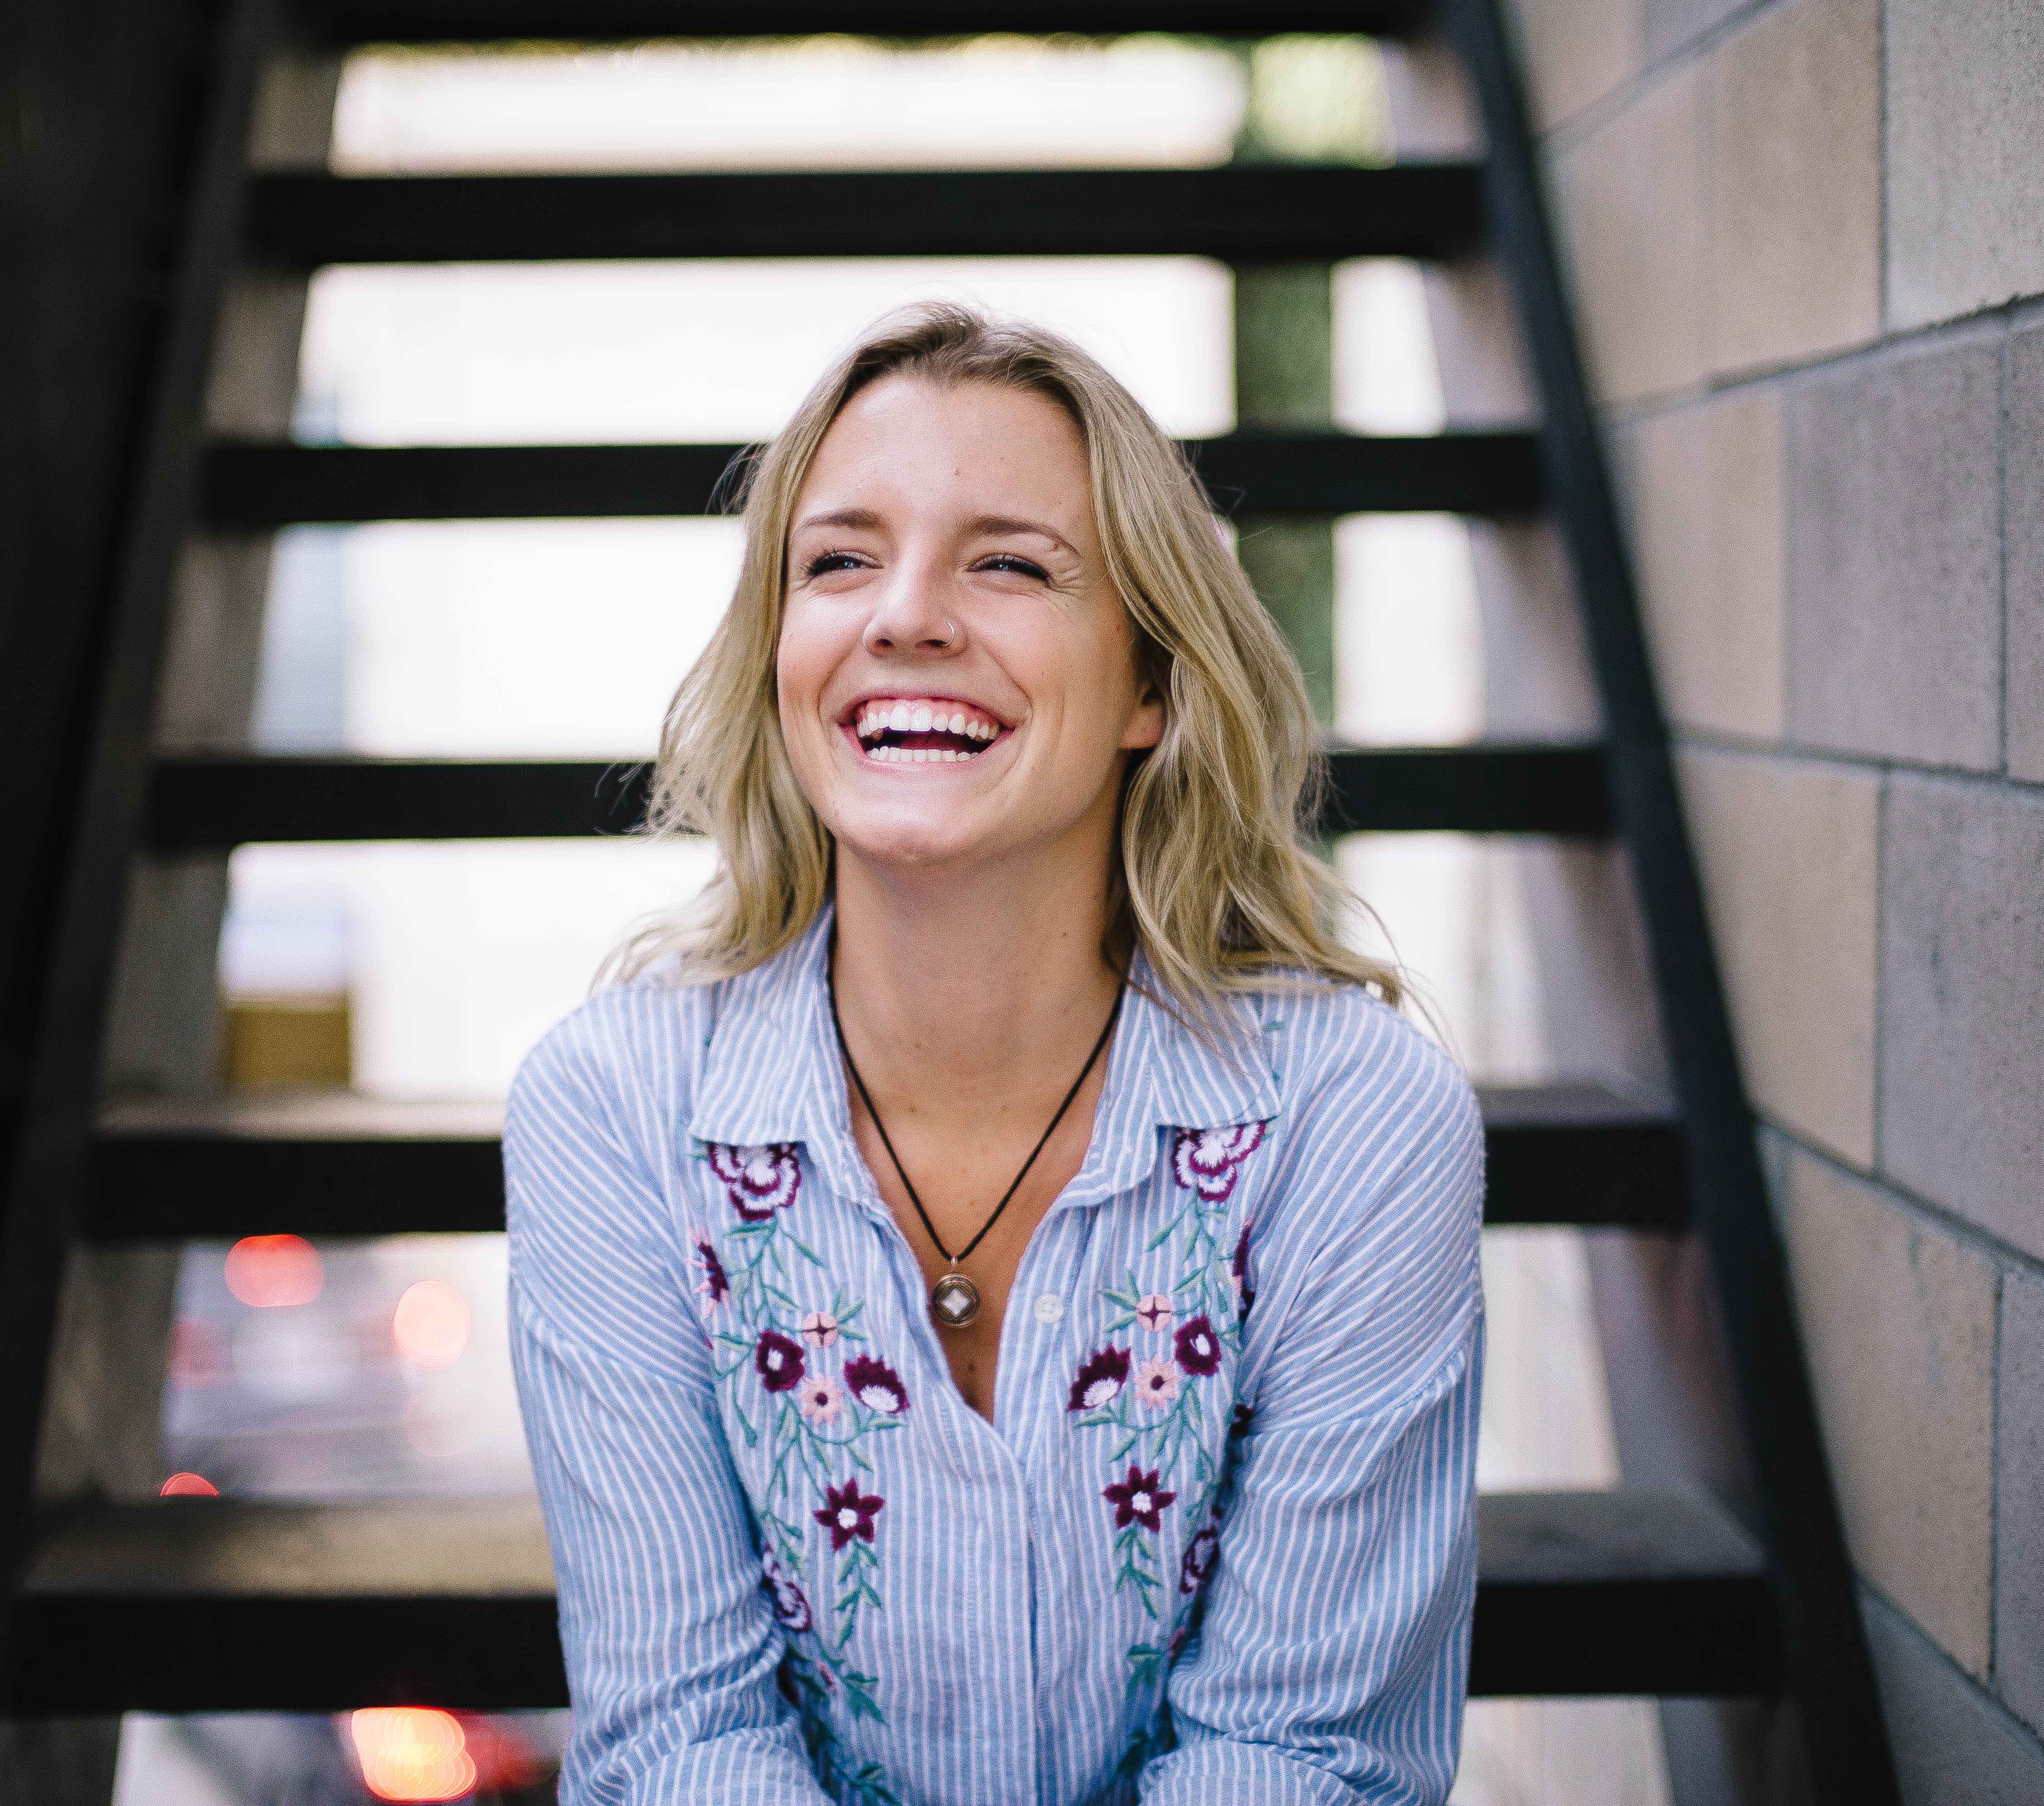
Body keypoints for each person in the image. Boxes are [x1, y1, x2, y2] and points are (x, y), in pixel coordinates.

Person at [505, 302, 1484, 1805]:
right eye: (838, 560)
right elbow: (682, 1749)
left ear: (1152, 687)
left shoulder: (1355, 1124)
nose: (905, 616)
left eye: (1011, 564)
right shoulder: (617, 1113)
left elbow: (1294, 1762)